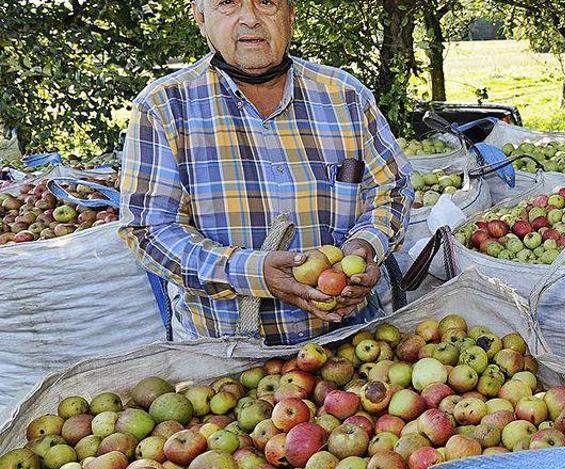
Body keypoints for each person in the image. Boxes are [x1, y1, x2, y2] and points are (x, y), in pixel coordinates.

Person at [118, 0, 412, 345]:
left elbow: (390, 189)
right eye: (227, 3)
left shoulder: (345, 96)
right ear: (200, 17)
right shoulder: (164, 107)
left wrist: (366, 246)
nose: (249, 19)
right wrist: (251, 273)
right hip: (225, 355)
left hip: (349, 343)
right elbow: (150, 229)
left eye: (267, 2)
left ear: (291, 14)